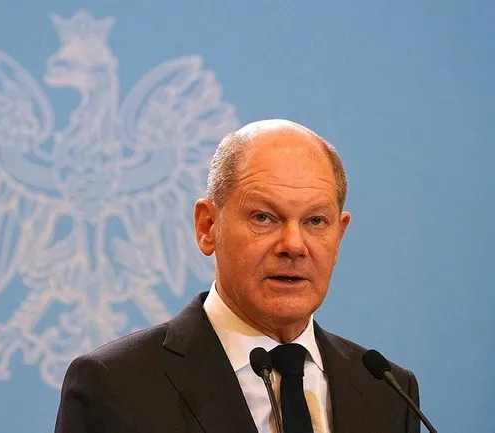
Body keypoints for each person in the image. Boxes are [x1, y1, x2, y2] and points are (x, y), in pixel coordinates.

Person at [54, 119, 421, 433]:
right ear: (207, 226)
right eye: (264, 217)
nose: (294, 245)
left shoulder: (388, 391)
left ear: (338, 237)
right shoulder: (116, 384)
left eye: (315, 221)